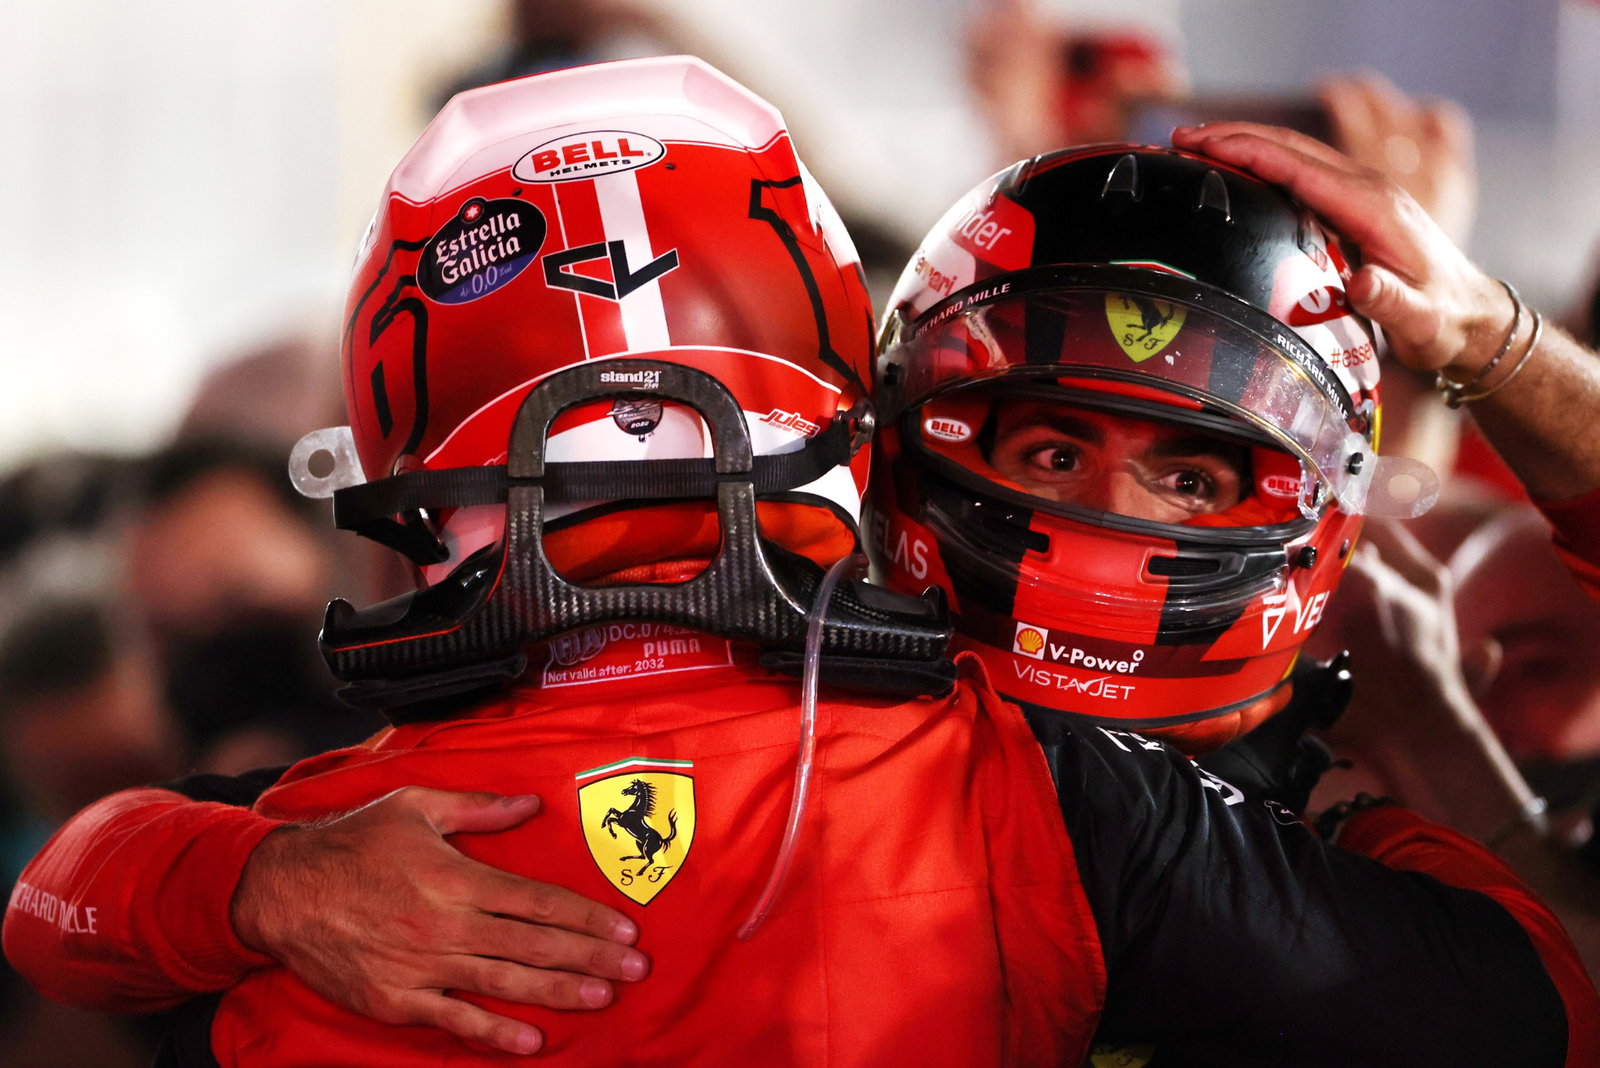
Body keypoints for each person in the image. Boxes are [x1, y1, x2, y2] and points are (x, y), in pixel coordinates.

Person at [7, 70, 1600, 1068]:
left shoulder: (343, 824)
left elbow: (63, 898)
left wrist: (244, 878)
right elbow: (1545, 1010)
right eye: (1047, 452)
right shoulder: (1037, 795)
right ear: (880, 437)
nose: (1108, 524)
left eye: (1193, 469)